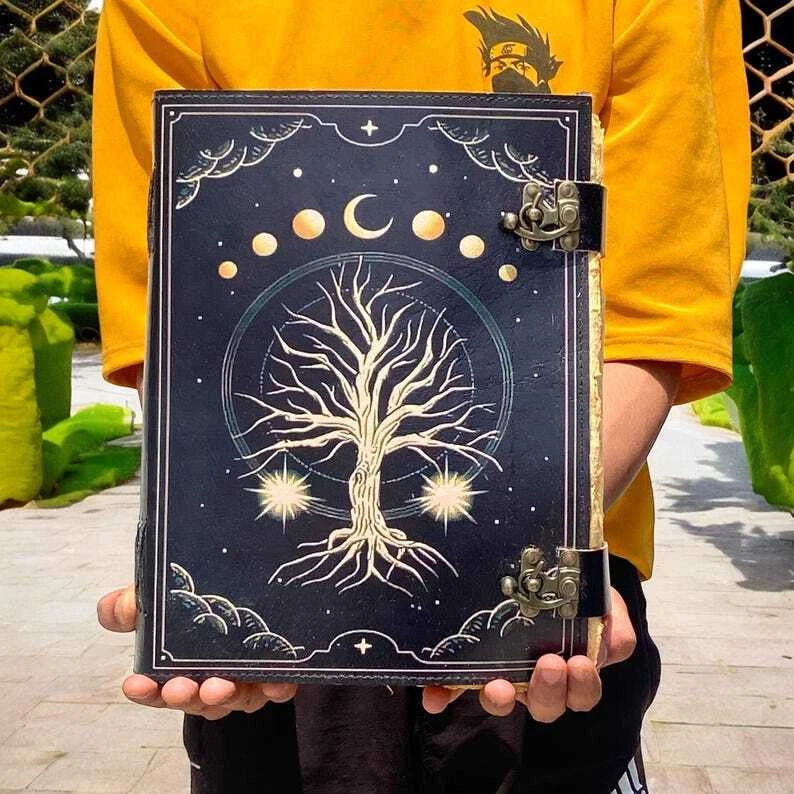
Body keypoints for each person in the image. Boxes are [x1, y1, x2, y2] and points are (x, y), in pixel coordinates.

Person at [91, 1, 750, 791]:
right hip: (272, 588)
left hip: (542, 567)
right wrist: (209, 562)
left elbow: (655, 308)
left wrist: (521, 553)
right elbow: (175, 313)